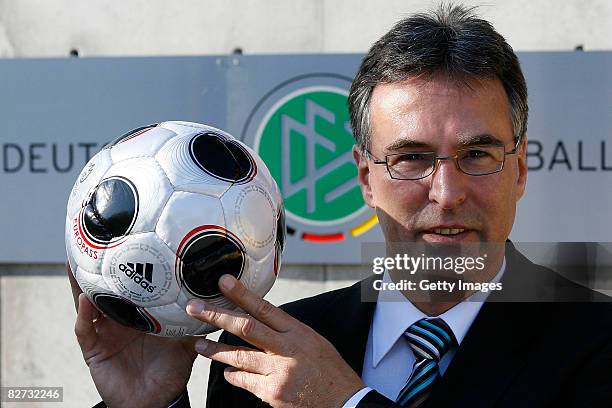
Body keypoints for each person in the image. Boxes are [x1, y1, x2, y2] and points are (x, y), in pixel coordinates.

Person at [72, 4, 612, 408]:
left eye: (478, 155)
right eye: (412, 158)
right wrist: (150, 405)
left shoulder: (596, 343)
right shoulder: (265, 356)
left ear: (519, 170)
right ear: (364, 178)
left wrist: (347, 403)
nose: (447, 193)